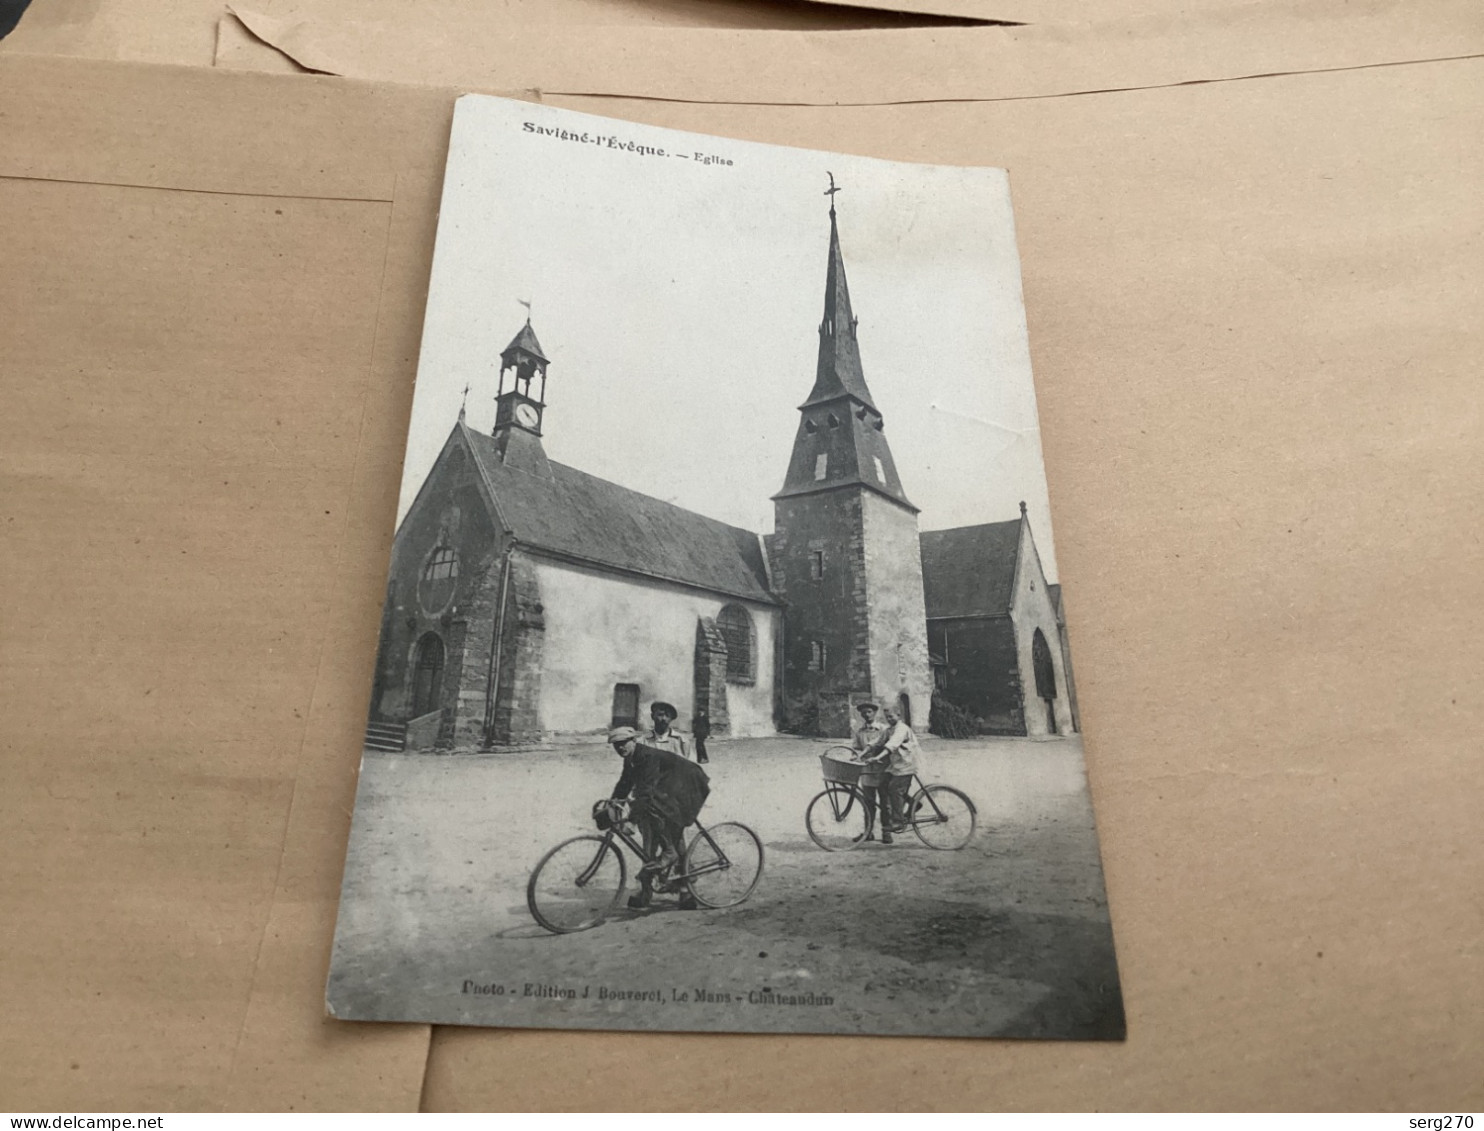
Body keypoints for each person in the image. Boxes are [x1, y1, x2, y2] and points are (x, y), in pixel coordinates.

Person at [607, 726, 711, 910]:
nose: (620, 748)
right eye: (616, 745)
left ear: (634, 741)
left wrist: (631, 819)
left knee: (675, 838)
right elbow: (625, 783)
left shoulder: (647, 757)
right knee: (650, 837)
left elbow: (646, 791)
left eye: (623, 743)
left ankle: (686, 891)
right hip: (667, 789)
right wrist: (613, 802)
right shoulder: (631, 759)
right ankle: (646, 892)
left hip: (687, 786)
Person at [864, 703, 920, 845]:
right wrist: (861, 754)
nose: (889, 719)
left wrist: (877, 758)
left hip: (906, 764)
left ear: (899, 715)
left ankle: (899, 821)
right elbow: (877, 741)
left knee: (895, 789)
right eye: (887, 717)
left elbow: (892, 745)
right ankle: (914, 804)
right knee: (883, 785)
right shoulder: (889, 730)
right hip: (896, 765)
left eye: (891, 716)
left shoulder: (901, 729)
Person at [851, 701, 887, 841]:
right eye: (864, 713)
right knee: (868, 803)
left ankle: (886, 832)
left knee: (885, 802)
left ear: (875, 713)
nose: (867, 715)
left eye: (869, 712)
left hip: (882, 769)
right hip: (866, 771)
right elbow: (857, 747)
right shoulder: (860, 732)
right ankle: (868, 832)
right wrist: (855, 755)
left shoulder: (883, 729)